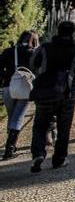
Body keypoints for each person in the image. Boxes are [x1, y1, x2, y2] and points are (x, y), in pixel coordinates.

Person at [28, 21, 75, 173]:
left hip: (46, 90)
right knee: (64, 127)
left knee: (40, 125)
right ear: (73, 32)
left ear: (57, 31)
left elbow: (33, 62)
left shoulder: (45, 47)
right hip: (68, 91)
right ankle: (59, 159)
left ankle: (38, 154)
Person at [0, 31, 39, 160]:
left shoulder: (8, 51)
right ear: (34, 41)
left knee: (12, 117)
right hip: (25, 90)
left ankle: (11, 144)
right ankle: (9, 148)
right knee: (17, 118)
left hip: (8, 88)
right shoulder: (34, 53)